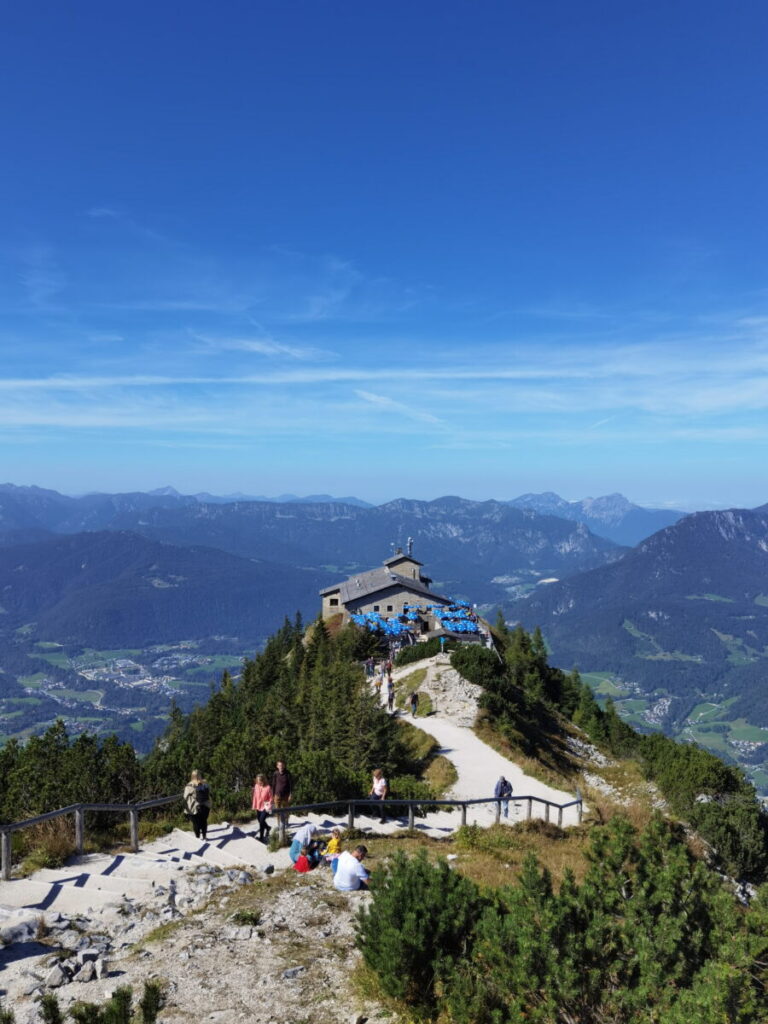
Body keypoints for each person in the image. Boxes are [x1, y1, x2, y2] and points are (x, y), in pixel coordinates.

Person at [183, 770, 211, 840]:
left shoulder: (189, 785)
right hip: (205, 806)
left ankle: (198, 838)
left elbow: (185, 797)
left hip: (195, 807)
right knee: (204, 821)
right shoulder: (205, 783)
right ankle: (204, 836)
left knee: (196, 824)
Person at [251, 773, 273, 842]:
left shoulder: (268, 787)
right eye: (257, 781)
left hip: (265, 807)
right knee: (259, 820)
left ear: (263, 780)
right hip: (258, 806)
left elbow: (271, 798)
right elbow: (255, 796)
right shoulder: (256, 786)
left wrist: (268, 805)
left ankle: (261, 838)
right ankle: (268, 827)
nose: (258, 783)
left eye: (259, 781)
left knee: (261, 821)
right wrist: (254, 805)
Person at [271, 760, 293, 826]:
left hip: (286, 795)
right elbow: (273, 784)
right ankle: (279, 824)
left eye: (282, 765)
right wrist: (273, 795)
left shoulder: (288, 773)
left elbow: (291, 784)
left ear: (284, 765)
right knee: (277, 810)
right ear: (277, 766)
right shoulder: (275, 773)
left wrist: (290, 794)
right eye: (280, 765)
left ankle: (286, 822)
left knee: (286, 810)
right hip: (277, 795)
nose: (281, 766)